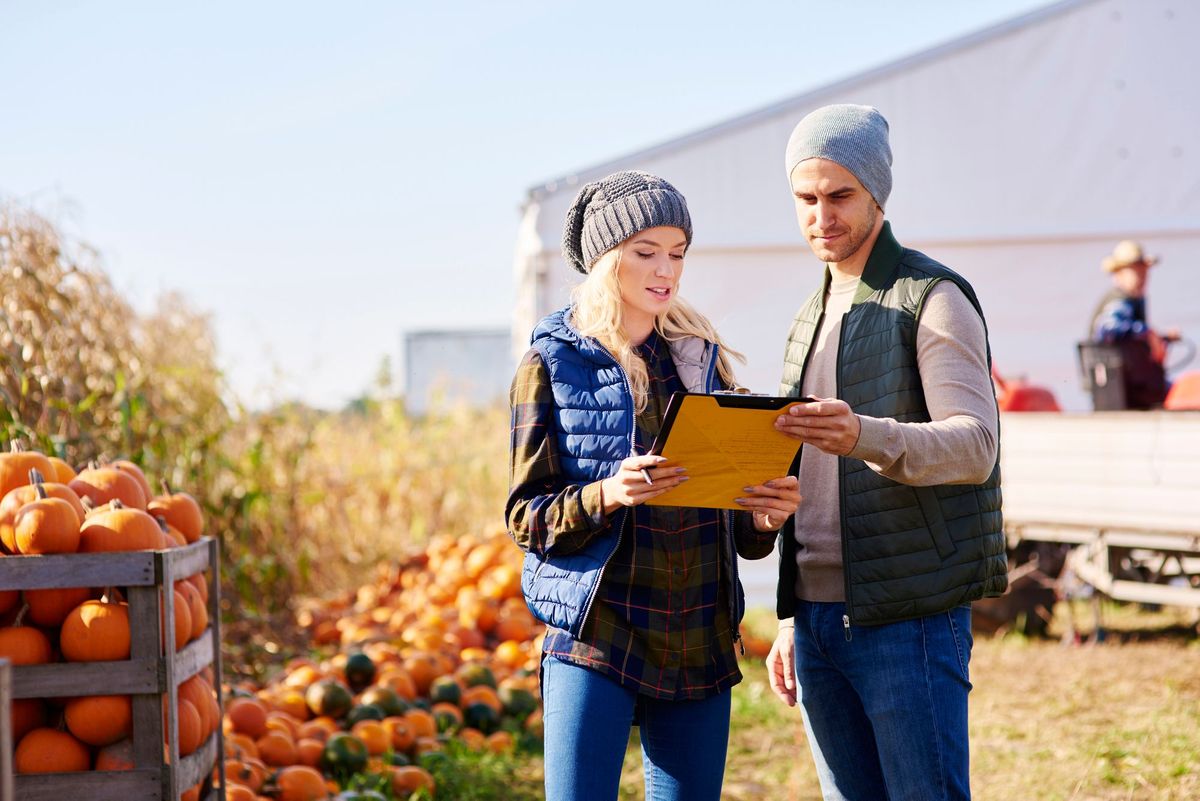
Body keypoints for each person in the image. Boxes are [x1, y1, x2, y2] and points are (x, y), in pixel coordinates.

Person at [506, 170, 800, 801]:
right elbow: (525, 519)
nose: (665, 270)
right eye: (645, 252)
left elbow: (740, 527)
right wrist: (608, 493)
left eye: (677, 253)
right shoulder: (550, 365)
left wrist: (765, 516)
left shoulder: (704, 359)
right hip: (597, 632)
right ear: (605, 259)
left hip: (697, 632)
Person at [763, 104, 1008, 801]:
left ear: (877, 192)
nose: (821, 215)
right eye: (805, 199)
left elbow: (975, 445)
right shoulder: (807, 317)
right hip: (815, 623)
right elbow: (802, 479)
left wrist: (865, 434)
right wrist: (788, 618)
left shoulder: (932, 297)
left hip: (909, 618)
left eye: (839, 195)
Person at [1087, 239, 1179, 408]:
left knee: (1179, 392)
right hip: (1125, 386)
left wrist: (1161, 337)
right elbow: (1107, 328)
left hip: (1135, 383)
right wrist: (1146, 332)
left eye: (1144, 271)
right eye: (1136, 271)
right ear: (1119, 274)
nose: (1142, 277)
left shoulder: (1133, 301)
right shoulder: (1120, 301)